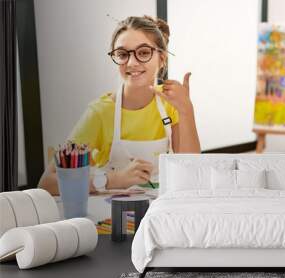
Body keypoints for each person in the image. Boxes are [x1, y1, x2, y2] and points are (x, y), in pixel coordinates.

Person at [38, 16, 201, 195]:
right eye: (123, 54)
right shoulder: (100, 112)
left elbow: (191, 171)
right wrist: (113, 180)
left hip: (158, 210)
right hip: (109, 214)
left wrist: (186, 110)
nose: (131, 63)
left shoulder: (170, 102)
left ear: (161, 58)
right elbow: (47, 183)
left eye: (144, 52)